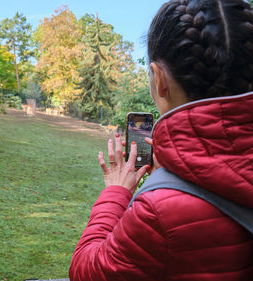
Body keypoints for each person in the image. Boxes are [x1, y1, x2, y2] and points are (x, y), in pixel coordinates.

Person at [69, 0, 253, 280]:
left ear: (159, 79)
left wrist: (116, 192)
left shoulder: (158, 213)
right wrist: (174, 177)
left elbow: (85, 271)